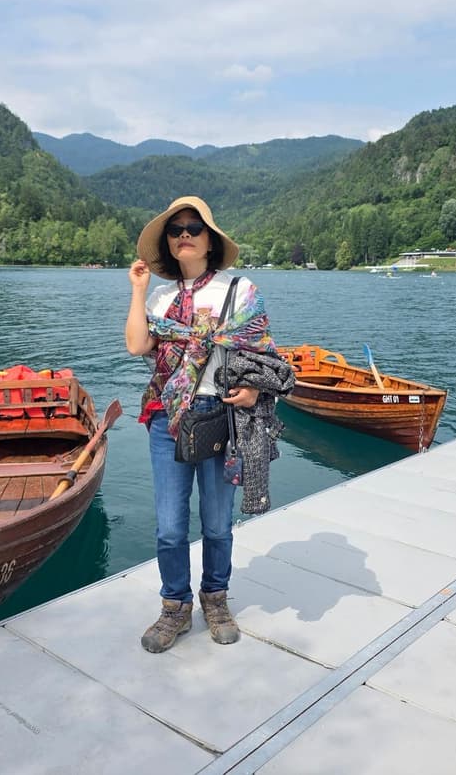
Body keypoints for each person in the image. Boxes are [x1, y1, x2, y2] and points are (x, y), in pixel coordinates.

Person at [125, 196, 278, 653]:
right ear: (168, 243)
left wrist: (251, 392)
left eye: (194, 227)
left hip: (222, 415)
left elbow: (263, 356)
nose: (184, 234)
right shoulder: (160, 297)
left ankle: (215, 598)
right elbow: (138, 345)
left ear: (211, 239)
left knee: (216, 522)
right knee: (170, 526)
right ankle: (175, 605)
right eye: (175, 230)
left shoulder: (240, 290)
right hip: (167, 420)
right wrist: (137, 289)